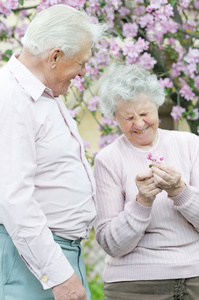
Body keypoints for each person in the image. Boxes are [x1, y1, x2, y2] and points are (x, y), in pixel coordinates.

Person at [0, 4, 106, 300]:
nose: (84, 71)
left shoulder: (46, 93)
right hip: (30, 258)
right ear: (55, 56)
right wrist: (59, 275)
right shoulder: (11, 98)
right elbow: (13, 197)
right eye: (81, 62)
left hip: (58, 253)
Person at [94, 63, 199, 300]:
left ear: (157, 104)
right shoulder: (108, 159)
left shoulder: (190, 144)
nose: (139, 124)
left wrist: (179, 191)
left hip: (195, 276)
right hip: (134, 285)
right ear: (114, 118)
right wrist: (142, 202)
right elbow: (112, 244)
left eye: (144, 114)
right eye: (128, 118)